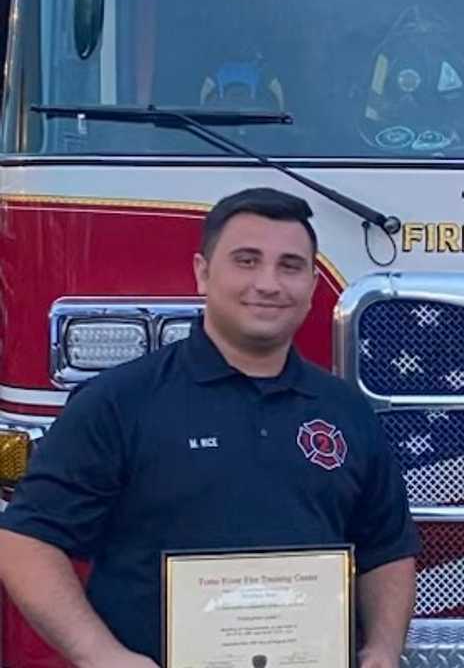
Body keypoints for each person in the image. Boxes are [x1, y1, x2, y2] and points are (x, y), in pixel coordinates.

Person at [0, 188, 419, 668]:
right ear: (202, 272)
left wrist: (384, 649)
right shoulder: (119, 402)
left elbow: (386, 549)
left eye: (290, 266)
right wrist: (102, 656)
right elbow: (25, 540)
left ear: (309, 285)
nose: (268, 283)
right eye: (246, 260)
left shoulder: (347, 410)